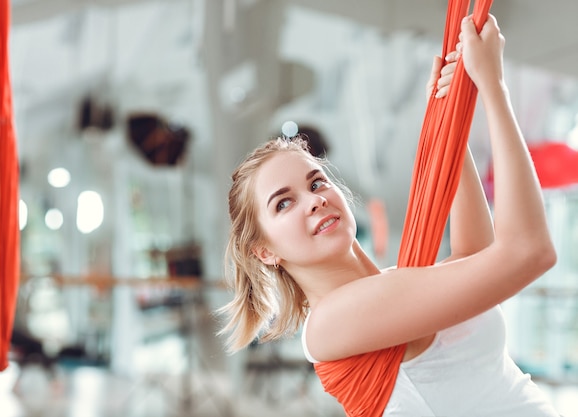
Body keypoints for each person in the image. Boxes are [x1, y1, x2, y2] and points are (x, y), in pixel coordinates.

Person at [217, 14, 560, 416]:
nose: (313, 200)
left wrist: (449, 120)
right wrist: (494, 88)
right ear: (264, 251)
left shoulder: (394, 284)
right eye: (283, 203)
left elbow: (474, 256)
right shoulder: (332, 322)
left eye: (315, 183)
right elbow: (528, 253)